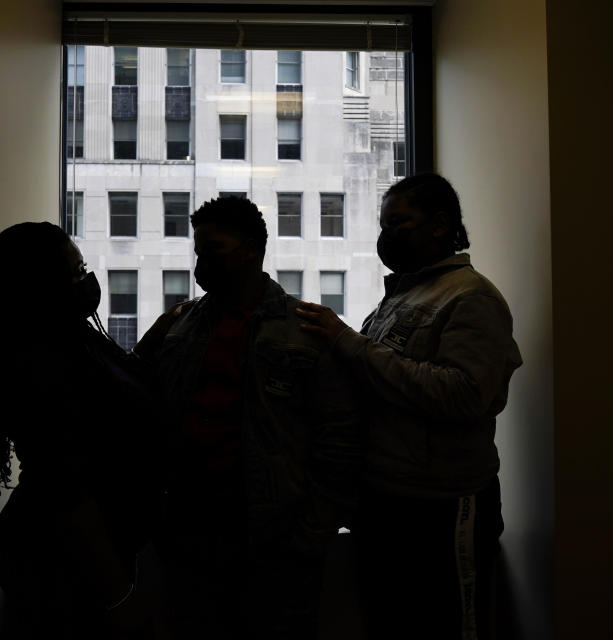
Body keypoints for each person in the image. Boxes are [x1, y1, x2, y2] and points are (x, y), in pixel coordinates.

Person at [296, 173, 523, 640]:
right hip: (385, 502)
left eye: (399, 222)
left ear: (440, 226)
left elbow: (462, 395)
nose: (387, 234)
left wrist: (348, 342)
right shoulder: (402, 295)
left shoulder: (471, 297)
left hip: (443, 507)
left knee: (450, 626)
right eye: (384, 224)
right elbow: (377, 380)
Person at [137, 196, 362, 640]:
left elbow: (340, 437)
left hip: (275, 537)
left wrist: (311, 532)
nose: (202, 264)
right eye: (198, 251)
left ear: (252, 251)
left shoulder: (305, 329)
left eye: (214, 251)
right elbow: (148, 405)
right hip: (190, 529)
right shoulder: (181, 324)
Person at [0, 222, 166, 639]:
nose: (88, 281)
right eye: (76, 273)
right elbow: (67, 490)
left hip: (84, 554)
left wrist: (157, 337)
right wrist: (118, 596)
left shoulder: (70, 336)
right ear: (42, 284)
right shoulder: (40, 362)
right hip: (58, 560)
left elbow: (115, 385)